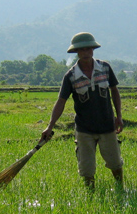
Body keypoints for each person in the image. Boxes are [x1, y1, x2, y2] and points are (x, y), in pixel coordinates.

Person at [41, 32, 124, 189]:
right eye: (82, 50)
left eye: (89, 49)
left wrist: (119, 116)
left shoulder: (105, 68)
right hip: (84, 129)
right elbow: (61, 101)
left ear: (93, 50)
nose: (86, 53)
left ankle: (121, 187)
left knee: (115, 162)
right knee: (86, 169)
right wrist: (50, 126)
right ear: (76, 52)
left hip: (107, 126)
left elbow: (114, 91)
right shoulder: (71, 76)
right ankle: (90, 196)